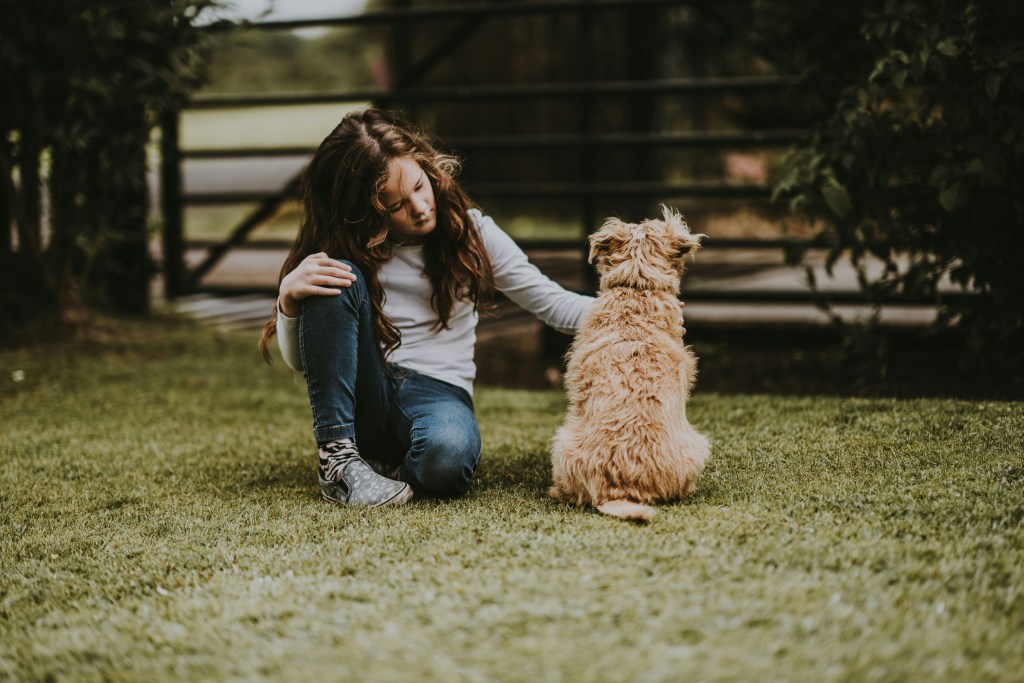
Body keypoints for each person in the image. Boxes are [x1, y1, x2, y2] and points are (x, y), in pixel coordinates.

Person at [258, 108, 601, 507]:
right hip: (364, 391)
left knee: (447, 460)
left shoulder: (474, 234)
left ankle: (378, 472)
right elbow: (304, 366)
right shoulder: (340, 255)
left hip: (439, 390)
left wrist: (641, 311)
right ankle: (338, 462)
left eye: (420, 186)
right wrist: (288, 301)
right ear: (364, 214)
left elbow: (554, 304)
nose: (420, 207)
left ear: (429, 168)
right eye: (396, 206)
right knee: (334, 275)